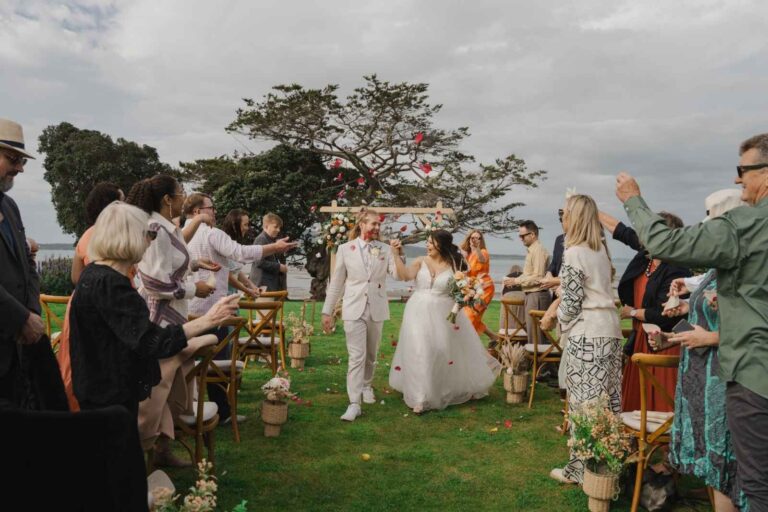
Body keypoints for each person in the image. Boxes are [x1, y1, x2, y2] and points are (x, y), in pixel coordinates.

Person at [615, 133, 768, 510]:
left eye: (743, 170)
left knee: (757, 485)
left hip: (753, 375)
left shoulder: (747, 225)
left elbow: (666, 243)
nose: (738, 180)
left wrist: (632, 198)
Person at [69, 202, 238, 417]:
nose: (152, 240)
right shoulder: (110, 284)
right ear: (128, 236)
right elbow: (151, 341)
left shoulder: (95, 274)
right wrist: (209, 319)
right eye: (149, 232)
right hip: (109, 399)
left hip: (100, 390)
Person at [126, 175, 221, 465]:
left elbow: (170, 266)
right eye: (181, 193)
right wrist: (196, 288)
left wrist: (194, 264)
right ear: (168, 199)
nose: (184, 197)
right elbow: (155, 282)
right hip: (159, 319)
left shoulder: (168, 228)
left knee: (171, 389)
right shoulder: (156, 228)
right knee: (157, 390)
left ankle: (163, 452)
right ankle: (143, 454)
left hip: (174, 317)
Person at [663, 189, 746, 512]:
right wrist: (685, 301)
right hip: (701, 377)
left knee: (725, 467)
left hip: (723, 377)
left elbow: (756, 325)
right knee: (713, 471)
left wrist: (711, 339)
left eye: (710, 214)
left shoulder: (746, 262)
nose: (704, 222)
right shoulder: (720, 264)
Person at [184, 193, 296, 423]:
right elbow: (241, 254)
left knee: (190, 364)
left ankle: (192, 410)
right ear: (197, 212)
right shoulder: (210, 233)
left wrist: (249, 289)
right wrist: (275, 246)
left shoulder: (179, 235)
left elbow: (228, 270)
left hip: (187, 308)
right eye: (211, 208)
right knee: (217, 363)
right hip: (213, 308)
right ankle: (222, 413)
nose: (215, 212)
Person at [540, 194, 622, 485]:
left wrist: (555, 319)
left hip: (588, 333)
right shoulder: (601, 251)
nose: (562, 217)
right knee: (608, 403)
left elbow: (572, 302)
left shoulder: (574, 252)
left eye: (565, 213)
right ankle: (607, 467)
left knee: (583, 404)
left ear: (574, 218)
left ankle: (580, 469)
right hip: (611, 331)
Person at [388, 230, 500, 414]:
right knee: (419, 349)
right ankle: (421, 397)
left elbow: (464, 286)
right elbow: (404, 276)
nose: (428, 245)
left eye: (431, 242)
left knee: (440, 350)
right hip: (417, 311)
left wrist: (468, 294)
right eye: (427, 242)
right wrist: (395, 255)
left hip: (444, 313)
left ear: (442, 244)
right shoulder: (420, 261)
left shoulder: (455, 264)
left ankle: (441, 387)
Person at [0, 118, 64, 410]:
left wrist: (32, 315)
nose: (20, 168)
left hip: (15, 352)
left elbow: (27, 265)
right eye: (13, 159)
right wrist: (21, 318)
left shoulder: (9, 206)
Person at [600, 209, 689, 413]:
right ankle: (636, 436)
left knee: (660, 398)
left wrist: (632, 312)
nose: (646, 237)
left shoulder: (678, 268)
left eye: (651, 233)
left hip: (662, 342)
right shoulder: (646, 256)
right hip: (641, 336)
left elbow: (663, 315)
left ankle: (663, 440)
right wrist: (594, 211)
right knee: (636, 397)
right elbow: (621, 231)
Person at [321, 208, 400, 422]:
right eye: (373, 223)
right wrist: (327, 311)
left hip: (377, 307)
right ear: (361, 224)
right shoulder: (346, 249)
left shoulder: (384, 249)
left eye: (378, 224)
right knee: (357, 356)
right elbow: (336, 283)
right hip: (353, 307)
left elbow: (397, 274)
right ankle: (354, 402)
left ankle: (367, 385)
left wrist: (396, 254)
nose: (376, 227)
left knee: (371, 354)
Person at [58, 182, 125, 411]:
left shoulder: (86, 235)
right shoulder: (114, 237)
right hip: (108, 309)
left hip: (79, 306)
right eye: (121, 202)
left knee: (75, 360)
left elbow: (76, 277)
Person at [503, 220, 552, 352]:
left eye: (523, 235)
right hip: (532, 295)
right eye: (520, 236)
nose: (521, 239)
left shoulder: (538, 251)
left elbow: (538, 277)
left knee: (537, 335)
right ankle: (539, 366)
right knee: (533, 334)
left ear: (533, 234)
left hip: (537, 295)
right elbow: (528, 274)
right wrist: (513, 281)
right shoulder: (532, 250)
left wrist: (516, 282)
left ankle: (544, 369)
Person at [459, 230, 500, 346]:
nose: (475, 240)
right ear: (469, 239)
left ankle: (466, 344)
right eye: (472, 237)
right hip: (472, 289)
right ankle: (494, 337)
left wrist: (477, 248)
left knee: (470, 315)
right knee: (469, 315)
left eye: (478, 238)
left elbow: (482, 259)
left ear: (481, 241)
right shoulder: (468, 255)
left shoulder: (483, 252)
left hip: (485, 288)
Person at [221, 209, 261, 296]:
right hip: (222, 297)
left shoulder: (234, 244)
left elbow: (236, 271)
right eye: (245, 225)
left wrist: (252, 286)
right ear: (235, 226)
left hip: (232, 296)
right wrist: (247, 290)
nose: (247, 228)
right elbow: (228, 277)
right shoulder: (223, 245)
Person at [250, 212, 288, 292]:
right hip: (262, 284)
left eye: (279, 227)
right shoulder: (261, 239)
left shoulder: (269, 239)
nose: (278, 230)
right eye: (276, 227)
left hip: (268, 284)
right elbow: (259, 262)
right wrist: (279, 267)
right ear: (266, 226)